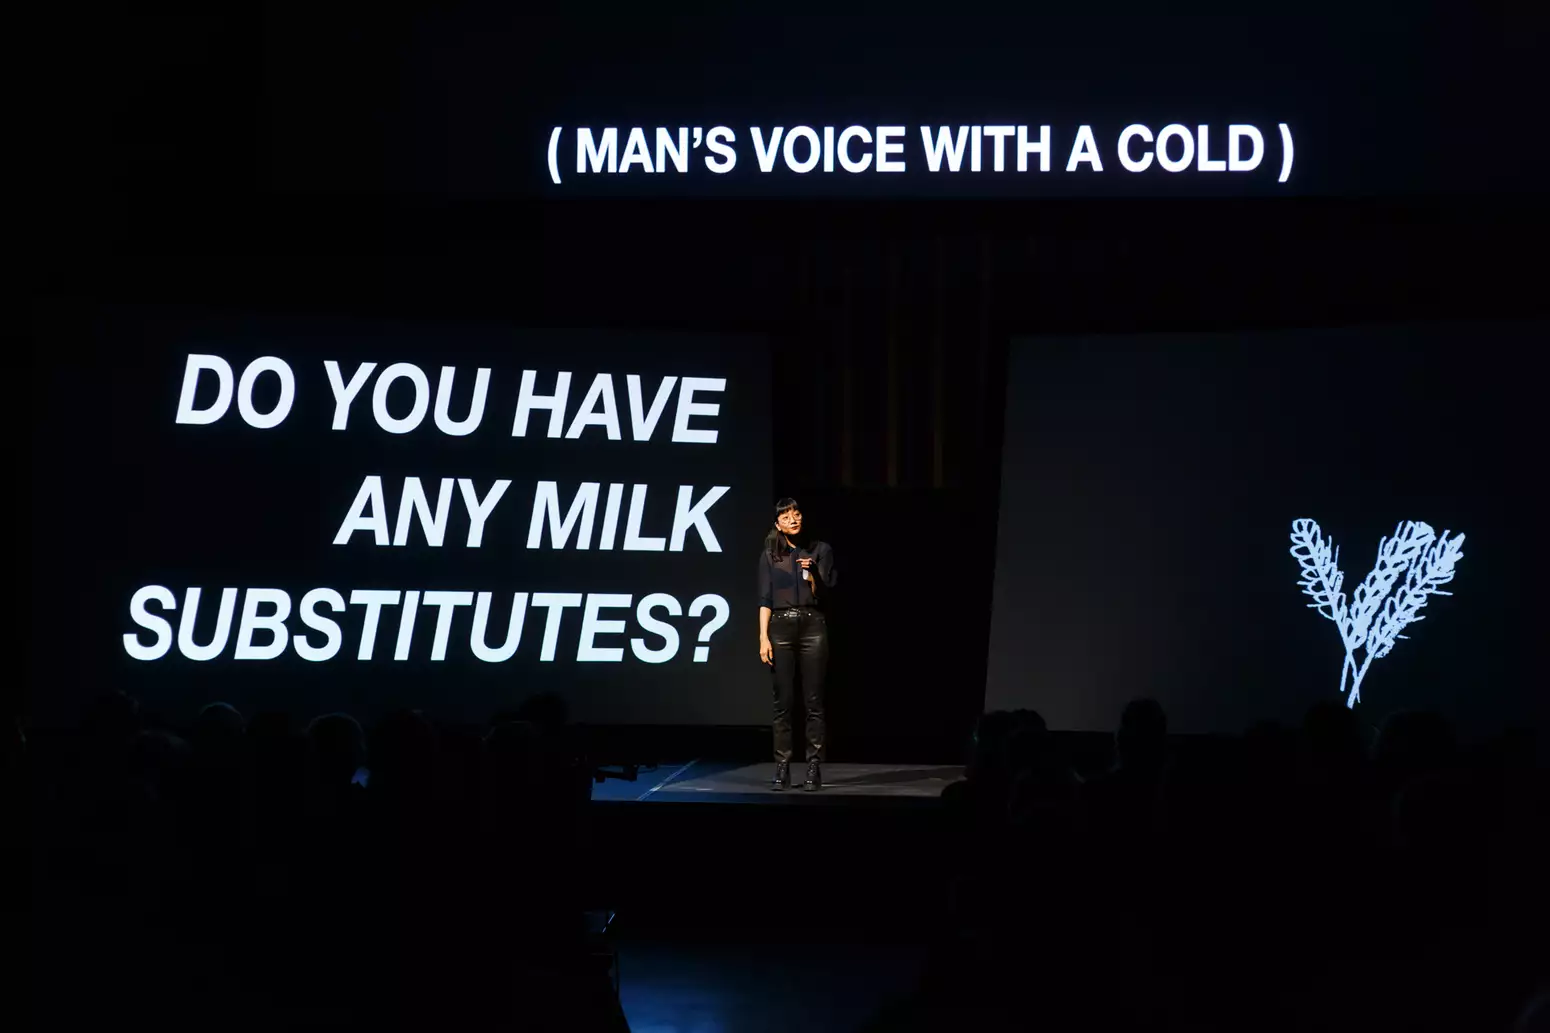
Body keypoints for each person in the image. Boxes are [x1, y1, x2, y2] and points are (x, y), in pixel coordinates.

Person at [756, 498, 837, 790]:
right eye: (786, 516)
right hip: (780, 628)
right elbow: (765, 599)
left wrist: (813, 571)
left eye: (797, 513)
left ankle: (813, 767)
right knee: (783, 702)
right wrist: (763, 637)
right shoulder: (770, 555)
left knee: (814, 702)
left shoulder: (820, 549)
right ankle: (782, 766)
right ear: (778, 524)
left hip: (813, 626)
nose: (793, 519)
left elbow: (826, 592)